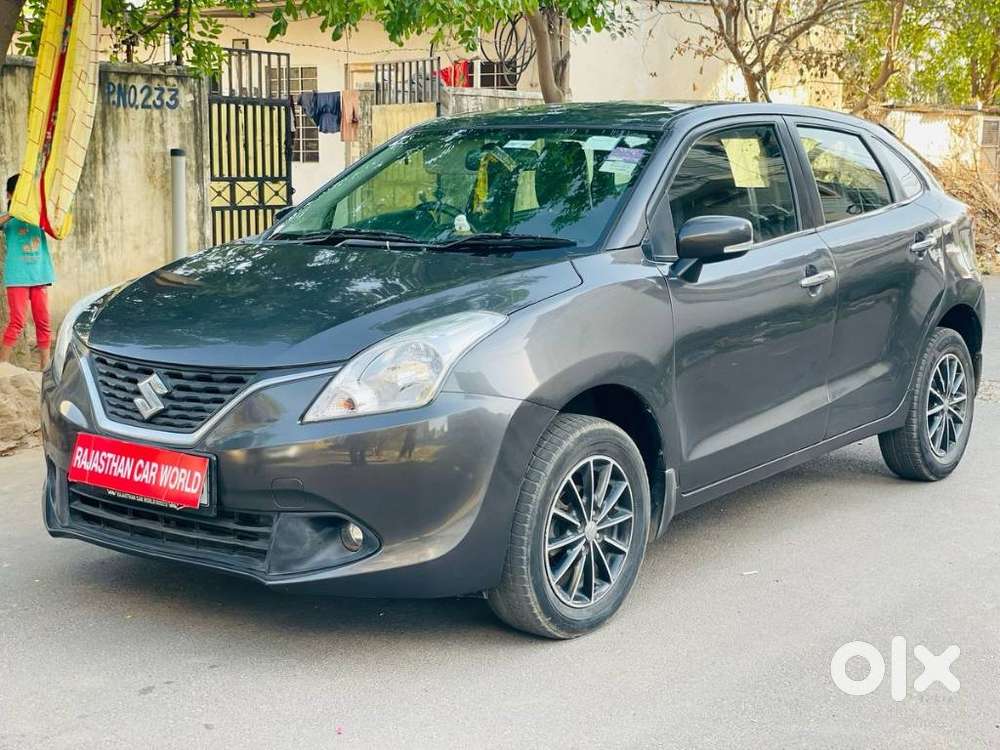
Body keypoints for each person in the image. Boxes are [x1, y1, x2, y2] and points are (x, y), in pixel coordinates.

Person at [0, 174, 55, 369]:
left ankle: (45, 366)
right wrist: (14, 211)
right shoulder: (8, 220)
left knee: (44, 322)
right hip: (18, 277)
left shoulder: (38, 214)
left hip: (40, 275)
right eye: (20, 193)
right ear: (9, 195)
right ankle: (3, 366)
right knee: (17, 322)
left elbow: (55, 228)